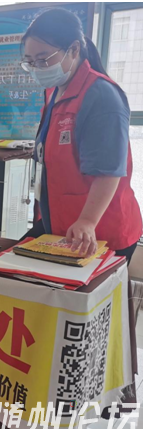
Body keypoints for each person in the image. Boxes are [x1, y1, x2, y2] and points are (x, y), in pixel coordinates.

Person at [21, 8, 142, 263]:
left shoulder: (101, 95)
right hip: (62, 224)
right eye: (30, 61)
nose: (36, 68)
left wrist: (87, 220)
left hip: (100, 230)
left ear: (74, 50)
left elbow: (108, 171)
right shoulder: (54, 91)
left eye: (43, 59)